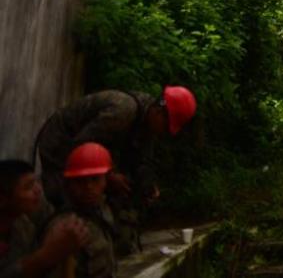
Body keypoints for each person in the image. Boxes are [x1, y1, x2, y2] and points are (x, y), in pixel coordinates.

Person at [34, 86, 196, 254]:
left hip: (90, 151)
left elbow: (142, 161)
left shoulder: (147, 120)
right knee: (69, 200)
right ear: (159, 113)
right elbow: (83, 145)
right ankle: (55, 253)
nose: (165, 133)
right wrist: (109, 176)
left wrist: (148, 184)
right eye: (166, 127)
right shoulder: (123, 112)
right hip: (61, 145)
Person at [1, 160, 87, 278]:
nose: (38, 190)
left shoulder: (22, 222)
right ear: (2, 199)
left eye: (37, 182)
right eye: (28, 187)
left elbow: (52, 219)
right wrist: (46, 256)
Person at [45, 144, 117, 278]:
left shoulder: (102, 210)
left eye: (95, 179)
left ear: (106, 180)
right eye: (79, 181)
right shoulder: (63, 227)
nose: (88, 187)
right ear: (69, 184)